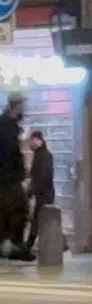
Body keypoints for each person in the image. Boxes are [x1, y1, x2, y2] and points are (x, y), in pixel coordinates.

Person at [0, 94, 29, 259]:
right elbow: (11, 154)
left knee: (14, 210)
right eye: (23, 106)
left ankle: (13, 246)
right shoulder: (6, 127)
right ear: (16, 107)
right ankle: (15, 247)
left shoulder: (10, 126)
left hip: (9, 178)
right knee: (18, 210)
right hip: (6, 178)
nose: (25, 109)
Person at [24, 130, 53, 254]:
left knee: (38, 220)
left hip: (44, 194)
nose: (31, 143)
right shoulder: (40, 154)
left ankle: (28, 246)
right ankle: (62, 244)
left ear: (38, 140)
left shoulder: (44, 155)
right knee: (45, 220)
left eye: (32, 140)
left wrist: (32, 192)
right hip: (43, 193)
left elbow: (41, 176)